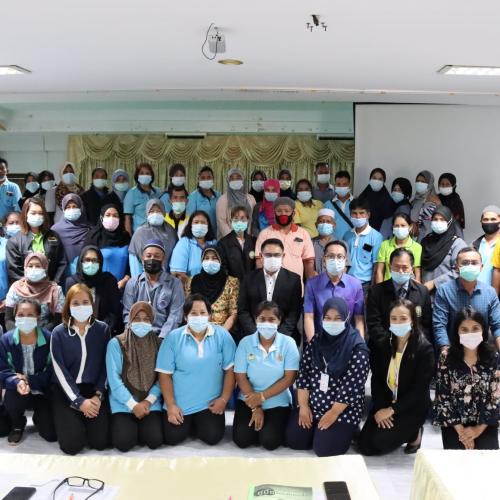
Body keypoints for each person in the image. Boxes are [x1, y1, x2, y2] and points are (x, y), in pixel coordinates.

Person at [286, 297, 370, 457]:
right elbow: (304, 375)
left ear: (346, 318)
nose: (332, 322)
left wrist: (333, 414)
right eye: (328, 318)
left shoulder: (357, 348)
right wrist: (303, 406)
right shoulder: (316, 341)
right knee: (295, 440)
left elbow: (351, 388)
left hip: (342, 410)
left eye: (338, 318)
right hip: (313, 405)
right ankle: (318, 430)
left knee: (324, 449)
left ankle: (348, 430)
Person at [156, 294, 236, 446]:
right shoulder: (173, 338)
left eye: (203, 313)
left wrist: (224, 399)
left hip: (209, 405)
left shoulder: (223, 336)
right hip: (180, 405)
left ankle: (196, 424)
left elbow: (230, 371)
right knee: (172, 438)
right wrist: (171, 405)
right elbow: (164, 375)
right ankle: (190, 423)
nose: (199, 317)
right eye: (193, 313)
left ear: (209, 315)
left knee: (212, 437)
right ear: (185, 317)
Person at [358, 299, 435, 455]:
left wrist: (391, 410)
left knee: (380, 441)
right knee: (364, 445)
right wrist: (381, 408)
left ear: (412, 320)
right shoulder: (383, 344)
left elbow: (419, 391)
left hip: (411, 406)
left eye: (403, 318)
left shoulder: (424, 349)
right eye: (394, 319)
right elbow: (376, 379)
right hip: (387, 401)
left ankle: (415, 433)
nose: (398, 323)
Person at [50, 283, 111, 455]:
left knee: (100, 442)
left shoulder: (103, 330)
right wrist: (78, 401)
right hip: (65, 390)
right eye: (75, 303)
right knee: (72, 446)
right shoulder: (58, 333)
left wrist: (98, 395)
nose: (81, 307)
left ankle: (81, 420)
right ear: (68, 306)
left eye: (85, 302)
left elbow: (106, 365)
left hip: (92, 390)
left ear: (92, 304)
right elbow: (59, 371)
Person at [233, 301, 299, 450]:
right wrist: (256, 406)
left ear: (279, 321)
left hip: (277, 400)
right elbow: (240, 377)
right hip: (249, 399)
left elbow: (289, 378)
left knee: (269, 441)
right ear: (255, 320)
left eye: (271, 319)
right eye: (262, 319)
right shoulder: (245, 343)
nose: (267, 323)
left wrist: (262, 397)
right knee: (242, 439)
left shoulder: (288, 343)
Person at [433, 307, 499, 450]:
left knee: (487, 461)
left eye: (475, 328)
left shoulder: (493, 357)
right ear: (457, 332)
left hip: (485, 422)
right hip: (454, 423)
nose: (470, 333)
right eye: (464, 329)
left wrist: (477, 430)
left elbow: (496, 396)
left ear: (483, 330)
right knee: (456, 461)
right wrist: (462, 432)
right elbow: (443, 396)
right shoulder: (446, 357)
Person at [106, 301, 163, 452]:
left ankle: (140, 428)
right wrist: (133, 405)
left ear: (152, 321)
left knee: (154, 440)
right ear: (130, 320)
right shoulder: (116, 343)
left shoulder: (159, 344)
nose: (141, 323)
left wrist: (148, 402)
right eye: (137, 319)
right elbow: (114, 380)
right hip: (123, 403)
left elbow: (161, 378)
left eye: (146, 319)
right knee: (123, 443)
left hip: (150, 402)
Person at [0, 298, 56, 445]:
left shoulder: (49, 339)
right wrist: (16, 381)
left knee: (51, 434)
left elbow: (52, 371)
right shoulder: (5, 340)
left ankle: (39, 418)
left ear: (38, 317)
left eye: (30, 315)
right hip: (17, 390)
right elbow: (3, 371)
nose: (25, 318)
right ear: (15, 316)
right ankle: (18, 423)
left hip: (41, 390)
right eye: (20, 314)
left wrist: (29, 380)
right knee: (4, 422)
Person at [433, 247, 500, 352]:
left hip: (481, 352)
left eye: (474, 263)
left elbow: (498, 326)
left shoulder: (490, 293)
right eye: (465, 263)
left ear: (481, 267)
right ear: (456, 267)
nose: (470, 266)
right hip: (453, 351)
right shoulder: (444, 291)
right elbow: (439, 325)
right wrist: (445, 350)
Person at [238, 239, 302, 343]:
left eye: (277, 255)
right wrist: (256, 335)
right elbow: (243, 310)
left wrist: (279, 338)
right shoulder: (248, 278)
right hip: (253, 337)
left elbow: (294, 313)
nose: (272, 258)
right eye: (268, 255)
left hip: (284, 338)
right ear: (261, 256)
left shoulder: (294, 280)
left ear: (283, 256)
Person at [367, 248, 433, 345]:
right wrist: (392, 344)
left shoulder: (422, 292)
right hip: (383, 347)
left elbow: (426, 325)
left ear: (412, 268)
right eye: (396, 267)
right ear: (389, 267)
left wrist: (414, 345)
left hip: (414, 347)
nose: (400, 271)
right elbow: (374, 324)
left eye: (405, 267)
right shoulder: (376, 291)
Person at [304, 240, 365, 341]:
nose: (335, 260)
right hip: (321, 340)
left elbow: (358, 319)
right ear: (324, 260)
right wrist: (312, 344)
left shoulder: (355, 285)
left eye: (340, 256)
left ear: (345, 261)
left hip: (347, 341)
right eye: (331, 256)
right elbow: (309, 316)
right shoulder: (312, 284)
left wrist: (360, 344)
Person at [123, 239, 184, 338]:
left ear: (163, 260)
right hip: (136, 335)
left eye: (157, 256)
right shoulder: (133, 283)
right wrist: (133, 336)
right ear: (142, 259)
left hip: (163, 337)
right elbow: (127, 314)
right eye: (148, 256)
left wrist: (162, 339)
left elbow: (175, 316)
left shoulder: (175, 284)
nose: (152, 259)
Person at [255, 197, 316, 285]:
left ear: (293, 213)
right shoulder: (265, 234)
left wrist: (311, 286)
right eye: (279, 211)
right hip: (270, 286)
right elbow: (259, 261)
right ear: (274, 213)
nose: (283, 214)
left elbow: (308, 262)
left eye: (287, 211)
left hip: (296, 287)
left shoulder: (303, 234)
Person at [7, 197, 67, 285]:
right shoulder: (14, 241)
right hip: (27, 289)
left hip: (51, 287)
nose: (37, 216)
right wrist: (29, 288)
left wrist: (54, 283)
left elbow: (62, 262)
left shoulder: (53, 236)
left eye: (40, 213)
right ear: (25, 214)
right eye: (33, 213)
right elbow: (14, 271)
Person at [66, 245, 122, 336]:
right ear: (81, 261)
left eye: (94, 260)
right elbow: (69, 312)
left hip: (104, 331)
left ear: (100, 263)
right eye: (87, 260)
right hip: (78, 332)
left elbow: (114, 311)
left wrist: (102, 329)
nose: (90, 263)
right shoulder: (72, 282)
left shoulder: (108, 280)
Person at [5, 252, 64, 331]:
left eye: (38, 266)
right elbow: (8, 319)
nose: (34, 269)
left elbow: (58, 320)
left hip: (45, 333)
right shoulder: (15, 288)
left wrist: (40, 335)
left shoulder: (55, 290)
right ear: (25, 267)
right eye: (30, 266)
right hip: (17, 333)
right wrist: (17, 334)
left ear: (45, 268)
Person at [185, 247, 239, 331]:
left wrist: (221, 334)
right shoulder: (192, 281)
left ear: (221, 260)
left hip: (222, 330)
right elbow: (188, 309)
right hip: (196, 329)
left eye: (214, 258)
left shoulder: (231, 282)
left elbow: (233, 314)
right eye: (206, 258)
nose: (210, 262)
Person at [421, 206, 467, 291]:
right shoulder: (425, 241)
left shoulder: (457, 244)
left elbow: (460, 270)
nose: (438, 222)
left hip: (447, 293)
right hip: (425, 293)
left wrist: (434, 283)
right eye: (435, 219)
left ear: (450, 221)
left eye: (442, 220)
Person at [84, 204, 131, 287]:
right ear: (101, 218)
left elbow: (131, 263)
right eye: (108, 215)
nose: (111, 218)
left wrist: (126, 279)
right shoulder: (94, 237)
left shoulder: (125, 237)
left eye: (115, 215)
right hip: (100, 287)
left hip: (123, 287)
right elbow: (86, 264)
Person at [128, 199, 178, 277]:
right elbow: (134, 261)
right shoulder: (139, 233)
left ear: (164, 213)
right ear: (147, 213)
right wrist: (138, 280)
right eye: (151, 211)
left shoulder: (171, 232)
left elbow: (176, 257)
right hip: (144, 278)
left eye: (158, 211)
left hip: (168, 278)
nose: (155, 214)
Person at [343, 197, 383, 292]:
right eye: (354, 213)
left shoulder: (376, 237)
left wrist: (372, 289)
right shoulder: (347, 235)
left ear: (368, 215)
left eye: (361, 213)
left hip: (365, 285)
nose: (358, 217)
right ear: (350, 214)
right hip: (347, 282)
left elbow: (376, 265)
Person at [169, 210, 217, 281]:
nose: (199, 225)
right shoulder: (184, 243)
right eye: (196, 222)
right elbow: (177, 273)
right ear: (190, 225)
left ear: (208, 226)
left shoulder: (214, 243)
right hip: (190, 286)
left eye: (203, 222)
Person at [375, 213, 422, 283]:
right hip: (388, 286)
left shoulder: (417, 247)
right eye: (396, 226)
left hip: (408, 287)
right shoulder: (385, 245)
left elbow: (417, 274)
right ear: (393, 227)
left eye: (403, 225)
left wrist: (417, 289)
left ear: (410, 227)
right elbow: (379, 271)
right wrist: (380, 288)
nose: (399, 228)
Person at [51, 193, 91, 272]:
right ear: (63, 210)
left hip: (86, 272)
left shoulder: (89, 228)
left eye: (74, 206)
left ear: (81, 208)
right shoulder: (55, 230)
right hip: (63, 274)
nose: (71, 209)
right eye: (68, 207)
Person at [217, 205, 256, 281]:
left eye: (242, 218)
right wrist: (232, 282)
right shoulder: (223, 243)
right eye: (236, 218)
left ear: (248, 220)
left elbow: (256, 265)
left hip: (251, 284)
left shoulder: (253, 241)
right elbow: (223, 268)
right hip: (233, 285)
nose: (239, 222)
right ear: (231, 221)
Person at [216, 168, 256, 239]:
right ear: (228, 181)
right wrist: (234, 239)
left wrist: (248, 237)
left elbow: (253, 218)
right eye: (232, 178)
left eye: (238, 177)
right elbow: (221, 222)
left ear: (243, 179)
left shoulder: (251, 198)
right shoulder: (222, 200)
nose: (235, 180)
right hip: (229, 239)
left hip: (247, 237)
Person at [123, 163, 163, 233]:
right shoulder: (131, 193)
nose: (145, 175)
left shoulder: (158, 192)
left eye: (147, 173)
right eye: (141, 173)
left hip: (157, 232)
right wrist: (129, 237)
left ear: (151, 176)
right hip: (139, 233)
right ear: (137, 176)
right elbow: (127, 219)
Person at [187, 166, 220, 233]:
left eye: (209, 177)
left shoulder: (218, 195)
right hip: (200, 234)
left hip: (217, 234)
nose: (206, 180)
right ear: (198, 179)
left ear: (213, 179)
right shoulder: (193, 197)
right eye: (203, 178)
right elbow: (189, 219)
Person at [410, 170, 441, 242]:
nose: (419, 183)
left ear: (430, 183)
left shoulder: (435, 201)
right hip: (414, 239)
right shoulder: (415, 200)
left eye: (423, 181)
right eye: (418, 181)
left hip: (428, 239)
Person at [0, 212, 20, 322]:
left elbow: (14, 272)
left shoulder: (9, 243)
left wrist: (8, 299)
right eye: (11, 223)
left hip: (7, 300)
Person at [473, 205, 500, 287]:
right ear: (481, 222)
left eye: (493, 219)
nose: (489, 222)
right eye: (486, 219)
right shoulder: (474, 245)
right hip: (477, 290)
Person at [324, 170, 354, 240]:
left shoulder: (357, 203)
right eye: (338, 184)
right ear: (335, 185)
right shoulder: (327, 205)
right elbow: (325, 227)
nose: (341, 187)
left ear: (349, 185)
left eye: (344, 184)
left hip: (352, 242)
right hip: (334, 243)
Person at [312, 208, 337, 273]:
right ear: (316, 225)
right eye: (321, 221)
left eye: (328, 221)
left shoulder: (341, 244)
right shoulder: (310, 243)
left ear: (334, 225)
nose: (324, 224)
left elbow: (345, 267)